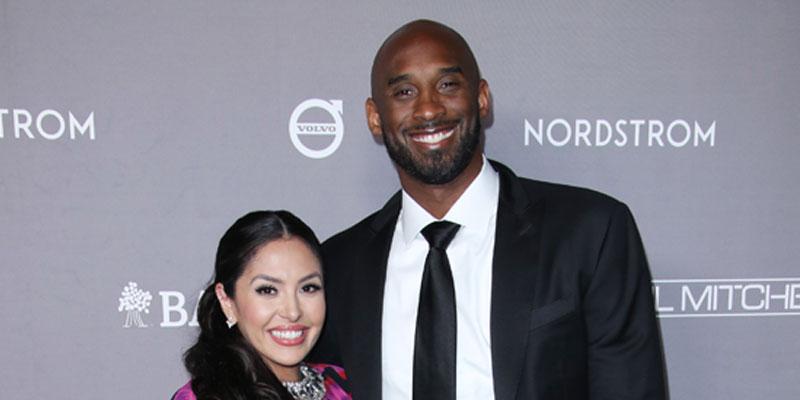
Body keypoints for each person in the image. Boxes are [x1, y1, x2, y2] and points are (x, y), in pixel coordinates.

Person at [311, 20, 667, 400]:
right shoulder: (339, 265)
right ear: (375, 117)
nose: (428, 108)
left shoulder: (591, 232)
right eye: (404, 91)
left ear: (481, 98)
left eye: (448, 85)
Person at [173, 211, 351, 400]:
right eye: (268, 290)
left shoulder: (345, 385)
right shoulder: (202, 397)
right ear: (226, 301)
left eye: (308, 288)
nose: (293, 312)